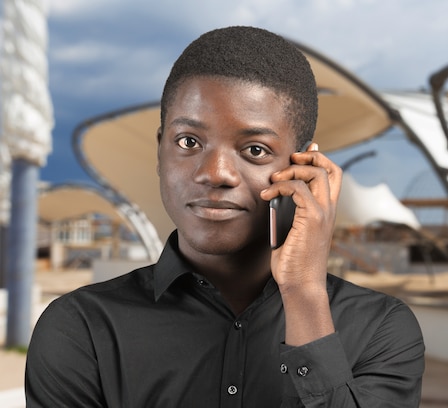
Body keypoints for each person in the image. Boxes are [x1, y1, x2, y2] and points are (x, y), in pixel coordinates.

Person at [25, 26, 425, 407]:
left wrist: (304, 294)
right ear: (160, 151)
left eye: (254, 150)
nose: (215, 173)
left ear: (305, 165)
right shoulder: (81, 328)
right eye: (188, 141)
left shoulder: (381, 330)